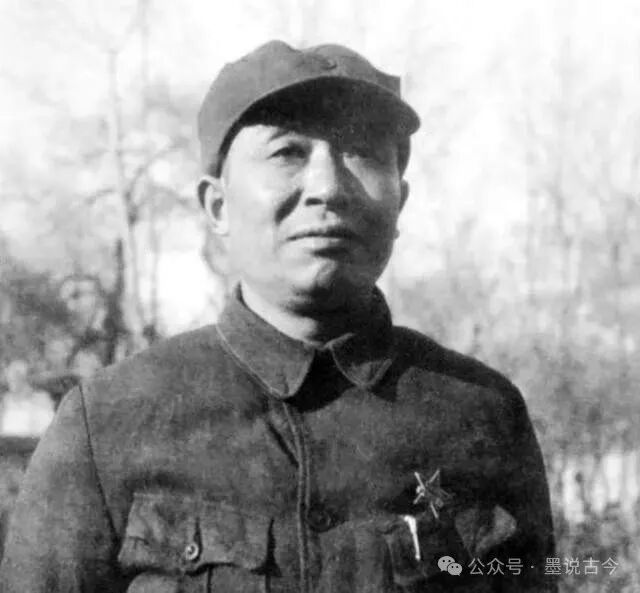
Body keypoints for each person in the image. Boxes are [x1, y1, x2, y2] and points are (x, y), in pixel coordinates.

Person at [0, 40, 556, 592]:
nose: (328, 188)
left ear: (400, 202)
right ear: (218, 206)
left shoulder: (483, 415)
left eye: (363, 152)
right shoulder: (107, 425)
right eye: (288, 152)